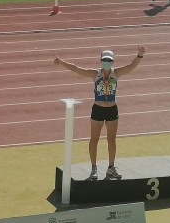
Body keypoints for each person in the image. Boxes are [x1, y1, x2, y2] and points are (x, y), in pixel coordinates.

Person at [53, 46, 146, 180]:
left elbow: (131, 66)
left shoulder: (116, 73)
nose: (107, 62)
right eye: (105, 60)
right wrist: (61, 62)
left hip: (112, 110)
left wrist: (140, 55)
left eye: (109, 60)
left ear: (113, 61)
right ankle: (93, 169)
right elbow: (77, 69)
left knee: (111, 140)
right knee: (94, 139)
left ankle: (111, 168)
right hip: (98, 109)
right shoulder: (95, 74)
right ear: (101, 61)